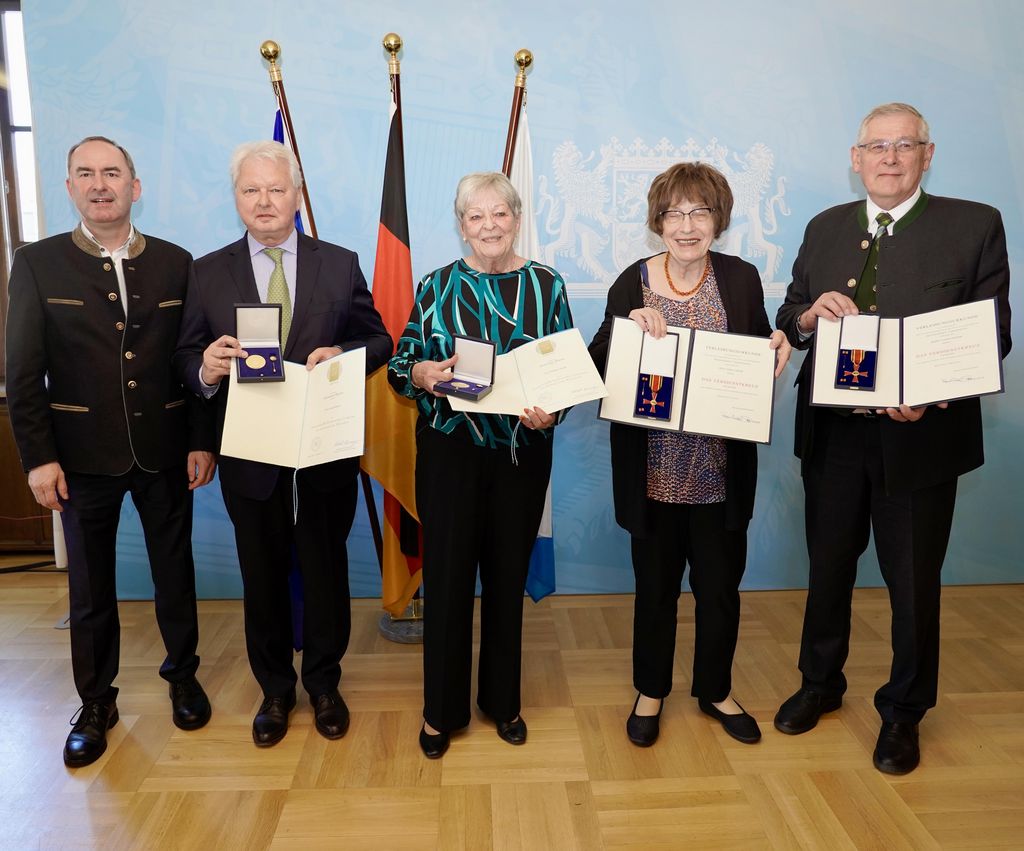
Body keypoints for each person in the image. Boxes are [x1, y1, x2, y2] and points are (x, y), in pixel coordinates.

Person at [774, 103, 1012, 775]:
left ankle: (903, 711)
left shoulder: (974, 225)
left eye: (903, 145)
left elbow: (991, 334)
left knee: (912, 580)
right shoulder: (824, 228)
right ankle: (820, 683)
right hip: (833, 433)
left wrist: (932, 392)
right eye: (875, 146)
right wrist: (808, 318)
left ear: (926, 156)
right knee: (827, 567)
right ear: (855, 159)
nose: (888, 157)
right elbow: (789, 315)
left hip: (921, 436)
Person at [5, 136, 216, 767]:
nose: (101, 185)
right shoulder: (37, 264)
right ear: (69, 187)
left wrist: (203, 438)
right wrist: (38, 457)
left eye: (113, 173)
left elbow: (194, 360)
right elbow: (23, 372)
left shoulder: (179, 264)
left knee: (174, 573)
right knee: (91, 587)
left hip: (166, 450)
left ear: (135, 186)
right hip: (78, 458)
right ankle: (96, 701)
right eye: (86, 174)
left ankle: (183, 676)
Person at [174, 141, 391, 747]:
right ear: (237, 199)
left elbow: (380, 342)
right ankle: (275, 688)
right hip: (250, 451)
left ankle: (324, 682)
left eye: (276, 189)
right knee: (261, 571)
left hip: (324, 446)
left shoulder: (339, 263)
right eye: (251, 190)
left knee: (325, 567)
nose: (264, 201)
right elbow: (186, 357)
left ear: (297, 196)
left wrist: (342, 353)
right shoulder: (207, 270)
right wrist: (208, 367)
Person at [589, 162, 791, 748]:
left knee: (720, 588)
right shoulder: (632, 281)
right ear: (657, 221)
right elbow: (602, 359)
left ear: (717, 220)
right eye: (675, 212)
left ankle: (715, 689)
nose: (686, 225)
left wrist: (773, 348)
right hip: (652, 472)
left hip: (719, 474)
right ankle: (650, 690)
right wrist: (628, 328)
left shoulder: (742, 279)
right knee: (654, 590)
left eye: (699, 211)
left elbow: (756, 355)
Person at [388, 172, 573, 759]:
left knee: (505, 577)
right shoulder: (437, 284)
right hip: (450, 453)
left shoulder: (547, 284)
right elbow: (401, 364)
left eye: (500, 214)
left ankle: (502, 701)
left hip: (521, 451)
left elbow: (564, 370)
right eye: (476, 216)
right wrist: (419, 373)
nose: (488, 226)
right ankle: (440, 712)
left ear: (516, 218)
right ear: (461, 223)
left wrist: (554, 412)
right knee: (446, 581)